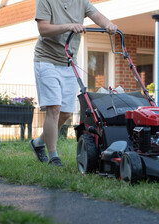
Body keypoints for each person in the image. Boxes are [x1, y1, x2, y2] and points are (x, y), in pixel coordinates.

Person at [30, 0, 118, 166]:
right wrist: (69, 26)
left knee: (66, 113)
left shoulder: (81, 2)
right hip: (46, 60)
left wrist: (109, 25)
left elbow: (97, 16)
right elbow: (43, 29)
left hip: (69, 61)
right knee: (54, 108)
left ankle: (38, 143)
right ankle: (53, 156)